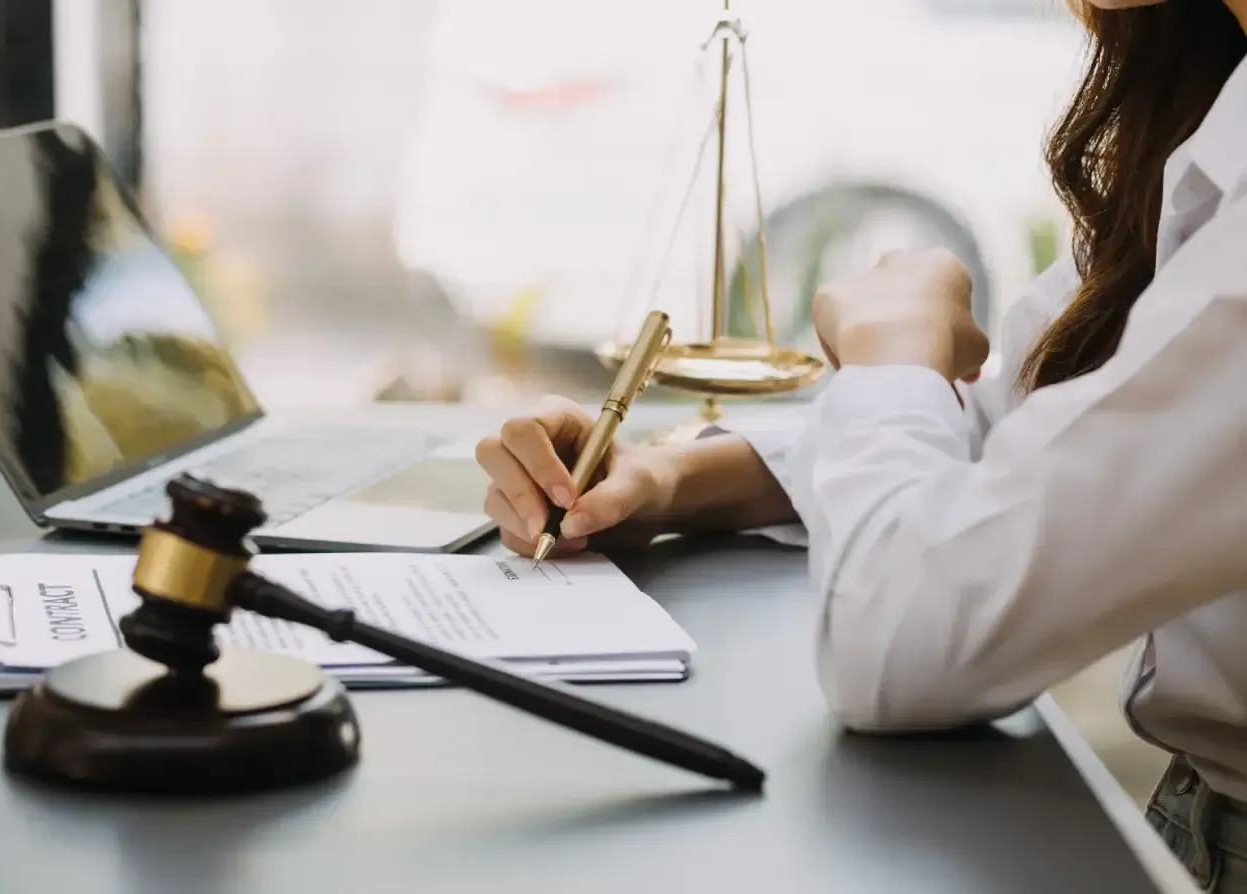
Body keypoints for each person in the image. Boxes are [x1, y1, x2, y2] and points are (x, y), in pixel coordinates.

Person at [474, 0, 1247, 887]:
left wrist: (889, 355)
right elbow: (1013, 431)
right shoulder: (1209, 106)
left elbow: (898, 645)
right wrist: (663, 477)